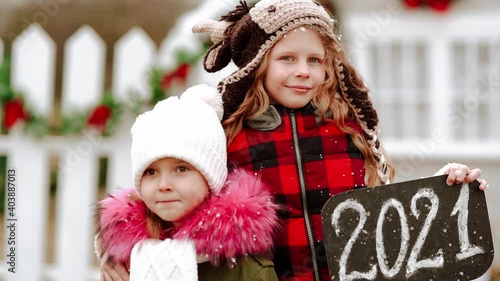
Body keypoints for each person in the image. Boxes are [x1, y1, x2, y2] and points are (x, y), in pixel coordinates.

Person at [100, 0, 489, 280]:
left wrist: (446, 188)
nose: (303, 71)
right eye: (287, 58)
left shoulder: (347, 131)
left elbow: (383, 210)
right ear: (259, 62)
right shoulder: (227, 136)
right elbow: (163, 197)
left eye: (314, 60)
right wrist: (119, 253)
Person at [94, 84, 280, 281]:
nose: (163, 184)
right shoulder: (128, 261)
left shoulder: (245, 268)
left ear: (210, 178)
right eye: (151, 171)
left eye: (181, 169)